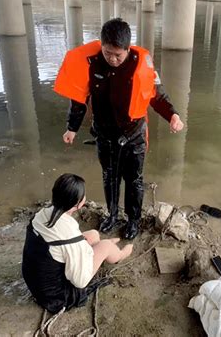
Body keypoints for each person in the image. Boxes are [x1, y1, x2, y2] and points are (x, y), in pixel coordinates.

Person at [54, 18, 184, 240]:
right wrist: (72, 128)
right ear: (102, 46)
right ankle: (112, 215)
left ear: (127, 48)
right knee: (109, 176)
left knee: (134, 180)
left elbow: (157, 95)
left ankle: (133, 220)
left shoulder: (140, 64)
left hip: (134, 134)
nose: (112, 59)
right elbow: (79, 99)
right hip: (105, 134)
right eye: (108, 53)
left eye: (118, 55)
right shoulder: (92, 62)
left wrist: (173, 115)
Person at [22, 173, 133, 313]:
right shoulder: (68, 236)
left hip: (35, 280)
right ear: (78, 204)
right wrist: (98, 250)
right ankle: (120, 254)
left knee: (93, 235)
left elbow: (67, 243)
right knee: (105, 246)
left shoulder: (43, 213)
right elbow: (80, 281)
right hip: (55, 296)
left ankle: (106, 249)